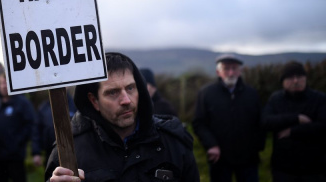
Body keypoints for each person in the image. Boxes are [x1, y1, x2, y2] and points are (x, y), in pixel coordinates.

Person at [46, 52, 199, 182]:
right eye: (113, 92)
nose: (126, 100)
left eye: (130, 88)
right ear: (94, 101)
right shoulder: (69, 151)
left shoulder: (172, 142)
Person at [192, 54, 264, 182]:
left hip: (248, 158)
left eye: (234, 68)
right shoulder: (206, 93)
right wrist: (211, 145)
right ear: (218, 72)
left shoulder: (252, 93)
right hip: (219, 158)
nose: (231, 73)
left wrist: (257, 146)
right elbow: (199, 123)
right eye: (226, 69)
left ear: (240, 71)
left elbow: (260, 121)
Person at [262, 61, 326, 181]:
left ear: (305, 78)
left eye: (299, 77)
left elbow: (323, 125)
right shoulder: (276, 99)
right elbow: (265, 121)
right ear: (283, 81)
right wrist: (296, 118)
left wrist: (293, 131)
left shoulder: (319, 99)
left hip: (314, 167)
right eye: (290, 77)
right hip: (283, 168)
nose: (295, 81)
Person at [0, 74, 36, 182]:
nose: (4, 86)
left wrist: (17, 142)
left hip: (16, 155)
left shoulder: (22, 103)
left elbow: (30, 124)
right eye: (2, 83)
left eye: (7, 83)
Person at [32, 90, 77, 168]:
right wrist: (36, 152)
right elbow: (36, 131)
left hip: (74, 152)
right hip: (49, 153)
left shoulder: (75, 105)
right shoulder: (43, 108)